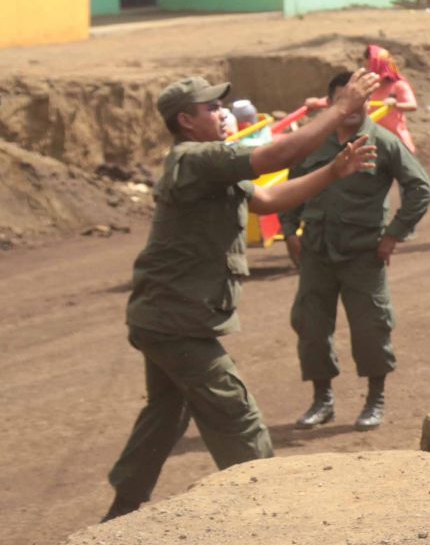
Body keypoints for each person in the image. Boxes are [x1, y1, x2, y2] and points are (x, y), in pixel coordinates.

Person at [104, 70, 381, 521]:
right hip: (176, 321)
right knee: (236, 412)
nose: (222, 112)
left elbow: (268, 199)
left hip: (165, 316)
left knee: (167, 411)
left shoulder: (210, 164)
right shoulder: (194, 159)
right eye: (210, 108)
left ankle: (122, 508)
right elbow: (279, 155)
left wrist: (332, 170)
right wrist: (341, 108)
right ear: (185, 122)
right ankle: (268, 510)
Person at [284, 75, 430, 432]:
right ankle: (323, 400)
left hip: (364, 253)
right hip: (316, 251)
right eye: (344, 100)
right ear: (332, 103)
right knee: (312, 326)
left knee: (370, 327)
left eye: (359, 99)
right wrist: (290, 231)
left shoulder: (382, 141)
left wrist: (392, 236)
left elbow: (420, 189)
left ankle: (374, 399)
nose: (352, 108)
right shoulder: (314, 142)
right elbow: (290, 187)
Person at [363, 44, 419, 154]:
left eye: (369, 67)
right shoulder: (367, 87)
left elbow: (412, 105)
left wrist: (395, 104)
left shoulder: (398, 85)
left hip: (398, 145)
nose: (367, 70)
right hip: (374, 144)